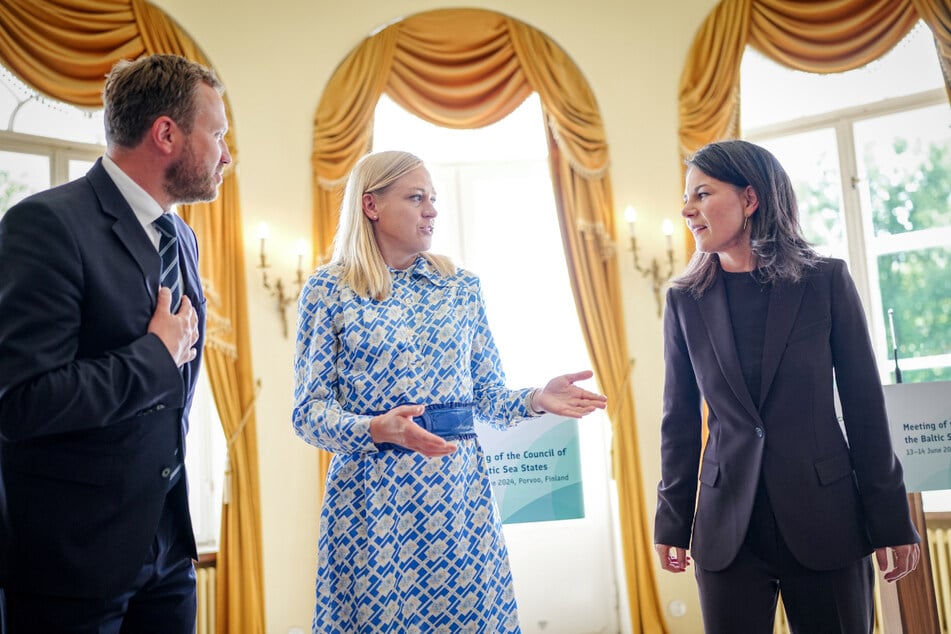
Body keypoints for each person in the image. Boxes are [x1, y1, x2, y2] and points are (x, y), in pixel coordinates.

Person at [292, 150, 607, 633]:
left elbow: (486, 397)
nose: (432, 210)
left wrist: (536, 397)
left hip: (458, 497)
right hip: (372, 503)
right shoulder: (328, 290)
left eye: (433, 199)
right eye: (416, 198)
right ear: (371, 205)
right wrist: (376, 427)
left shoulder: (460, 287)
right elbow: (309, 413)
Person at [0, 54, 231, 633]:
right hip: (70, 567)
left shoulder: (183, 238)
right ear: (167, 134)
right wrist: (155, 355)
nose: (226, 155)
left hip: (169, 558)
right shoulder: (46, 225)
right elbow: (21, 400)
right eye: (219, 134)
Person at [653, 139, 920, 633]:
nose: (687, 209)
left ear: (750, 199)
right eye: (687, 197)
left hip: (828, 521)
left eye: (703, 194)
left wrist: (889, 519)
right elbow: (680, 421)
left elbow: (864, 408)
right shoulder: (685, 301)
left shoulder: (826, 282)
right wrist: (672, 519)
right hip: (727, 530)